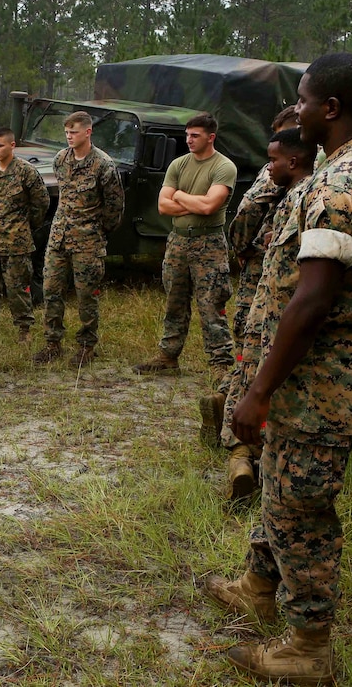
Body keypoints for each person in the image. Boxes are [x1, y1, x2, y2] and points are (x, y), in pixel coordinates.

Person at [204, 52, 352, 683]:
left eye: (306, 100)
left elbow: (313, 298)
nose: (296, 111)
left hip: (319, 386)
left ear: (332, 109)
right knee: (279, 486)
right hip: (305, 382)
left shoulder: (348, 184)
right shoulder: (342, 166)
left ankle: (308, 647)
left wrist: (258, 391)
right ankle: (259, 586)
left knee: (300, 510)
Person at [214, 128, 316, 500]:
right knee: (248, 370)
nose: (267, 168)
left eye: (273, 161)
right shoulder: (290, 194)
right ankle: (243, 455)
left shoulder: (310, 195)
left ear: (293, 160)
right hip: (266, 306)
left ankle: (250, 459)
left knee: (264, 382)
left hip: (283, 312)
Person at [196, 106, 296, 449]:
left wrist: (248, 243)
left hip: (275, 270)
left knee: (258, 347)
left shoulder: (299, 173)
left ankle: (232, 416)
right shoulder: (281, 171)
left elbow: (244, 217)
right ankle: (232, 417)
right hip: (263, 270)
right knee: (250, 346)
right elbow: (244, 220)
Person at [133, 113, 236, 378]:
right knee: (174, 301)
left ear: (210, 137)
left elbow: (209, 206)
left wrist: (178, 195)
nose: (188, 140)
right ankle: (168, 356)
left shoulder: (224, 167)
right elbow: (162, 205)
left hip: (209, 243)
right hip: (178, 241)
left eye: (195, 136)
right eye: (187, 135)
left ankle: (220, 364)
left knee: (211, 303)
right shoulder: (178, 165)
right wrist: (190, 201)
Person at [33, 111, 124, 366]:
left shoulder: (103, 165)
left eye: (74, 132)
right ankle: (52, 343)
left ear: (88, 132)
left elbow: (115, 206)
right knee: (51, 290)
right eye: (66, 132)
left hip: (88, 241)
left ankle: (86, 346)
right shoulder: (61, 159)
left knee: (86, 295)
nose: (69, 137)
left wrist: (97, 231)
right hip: (59, 238)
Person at [0, 127, 50, 342]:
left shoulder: (26, 172)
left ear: (12, 145)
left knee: (17, 287)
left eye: (0, 145)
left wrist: (25, 225)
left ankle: (23, 329)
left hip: (16, 242)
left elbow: (41, 202)